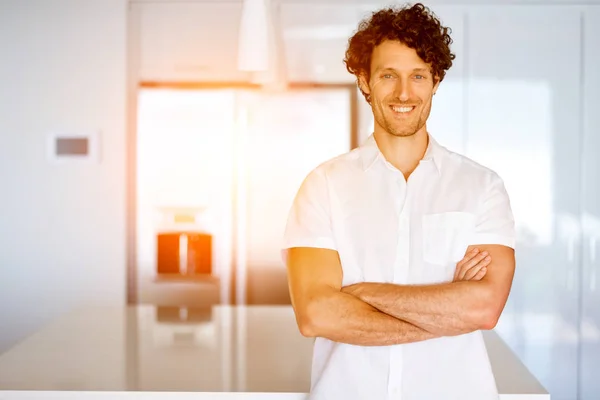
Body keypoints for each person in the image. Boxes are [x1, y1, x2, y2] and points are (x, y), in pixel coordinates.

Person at [282, 3, 516, 400]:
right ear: (364, 80)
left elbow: (483, 309)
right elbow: (316, 314)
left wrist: (362, 292)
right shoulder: (323, 186)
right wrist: (446, 312)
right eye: (388, 75)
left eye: (418, 76)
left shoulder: (482, 188)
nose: (404, 93)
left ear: (436, 81)